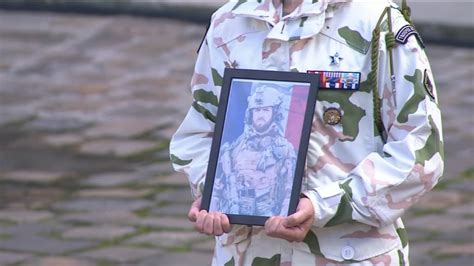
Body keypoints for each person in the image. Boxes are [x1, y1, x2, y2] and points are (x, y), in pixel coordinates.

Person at [170, 0, 444, 265]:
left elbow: (421, 150)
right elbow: (200, 130)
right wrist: (216, 191)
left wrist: (324, 204)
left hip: (349, 254)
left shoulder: (378, 23)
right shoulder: (227, 24)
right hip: (246, 255)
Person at [210, 84, 296, 217]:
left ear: (275, 113)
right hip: (235, 215)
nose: (260, 115)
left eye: (266, 110)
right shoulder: (235, 147)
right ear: (250, 114)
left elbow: (290, 192)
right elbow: (217, 188)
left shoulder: (285, 148)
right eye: (257, 110)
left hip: (271, 216)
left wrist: (284, 219)